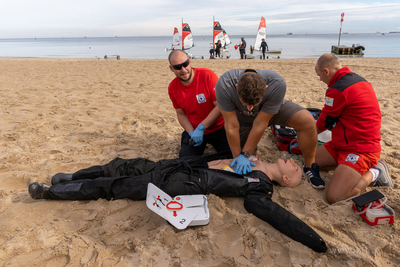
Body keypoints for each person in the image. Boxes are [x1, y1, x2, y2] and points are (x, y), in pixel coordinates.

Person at [28, 151, 327, 253]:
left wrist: (315, 241)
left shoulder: (260, 187)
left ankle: (49, 192)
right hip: (175, 165)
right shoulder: (250, 156)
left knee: (114, 187)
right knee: (120, 165)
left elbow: (274, 214)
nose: (293, 161)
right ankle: (69, 177)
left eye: (296, 167)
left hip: (183, 183)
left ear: (286, 180)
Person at [215, 69, 325, 189]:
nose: (250, 108)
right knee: (249, 162)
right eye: (245, 103)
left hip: (270, 112)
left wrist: (245, 154)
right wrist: (238, 157)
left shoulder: (277, 83)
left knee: (307, 120)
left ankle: (309, 166)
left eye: (254, 104)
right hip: (242, 118)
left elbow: (259, 123)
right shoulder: (224, 84)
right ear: (236, 87)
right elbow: (231, 126)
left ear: (266, 87)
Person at [314, 53, 392, 204]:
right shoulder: (359, 80)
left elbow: (322, 124)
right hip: (343, 142)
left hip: (360, 149)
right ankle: (348, 170)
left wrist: (304, 134)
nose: (320, 79)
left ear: (326, 71)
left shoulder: (338, 89)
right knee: (312, 162)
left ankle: (376, 172)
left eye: (319, 75)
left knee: (335, 197)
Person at [168, 49, 230, 157]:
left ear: (190, 61)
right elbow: (181, 114)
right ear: (171, 69)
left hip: (219, 128)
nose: (183, 69)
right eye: (178, 67)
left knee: (230, 156)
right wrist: (191, 132)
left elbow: (220, 106)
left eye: (185, 64)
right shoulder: (172, 87)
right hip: (194, 129)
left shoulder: (207, 76)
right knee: (186, 160)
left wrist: (202, 127)